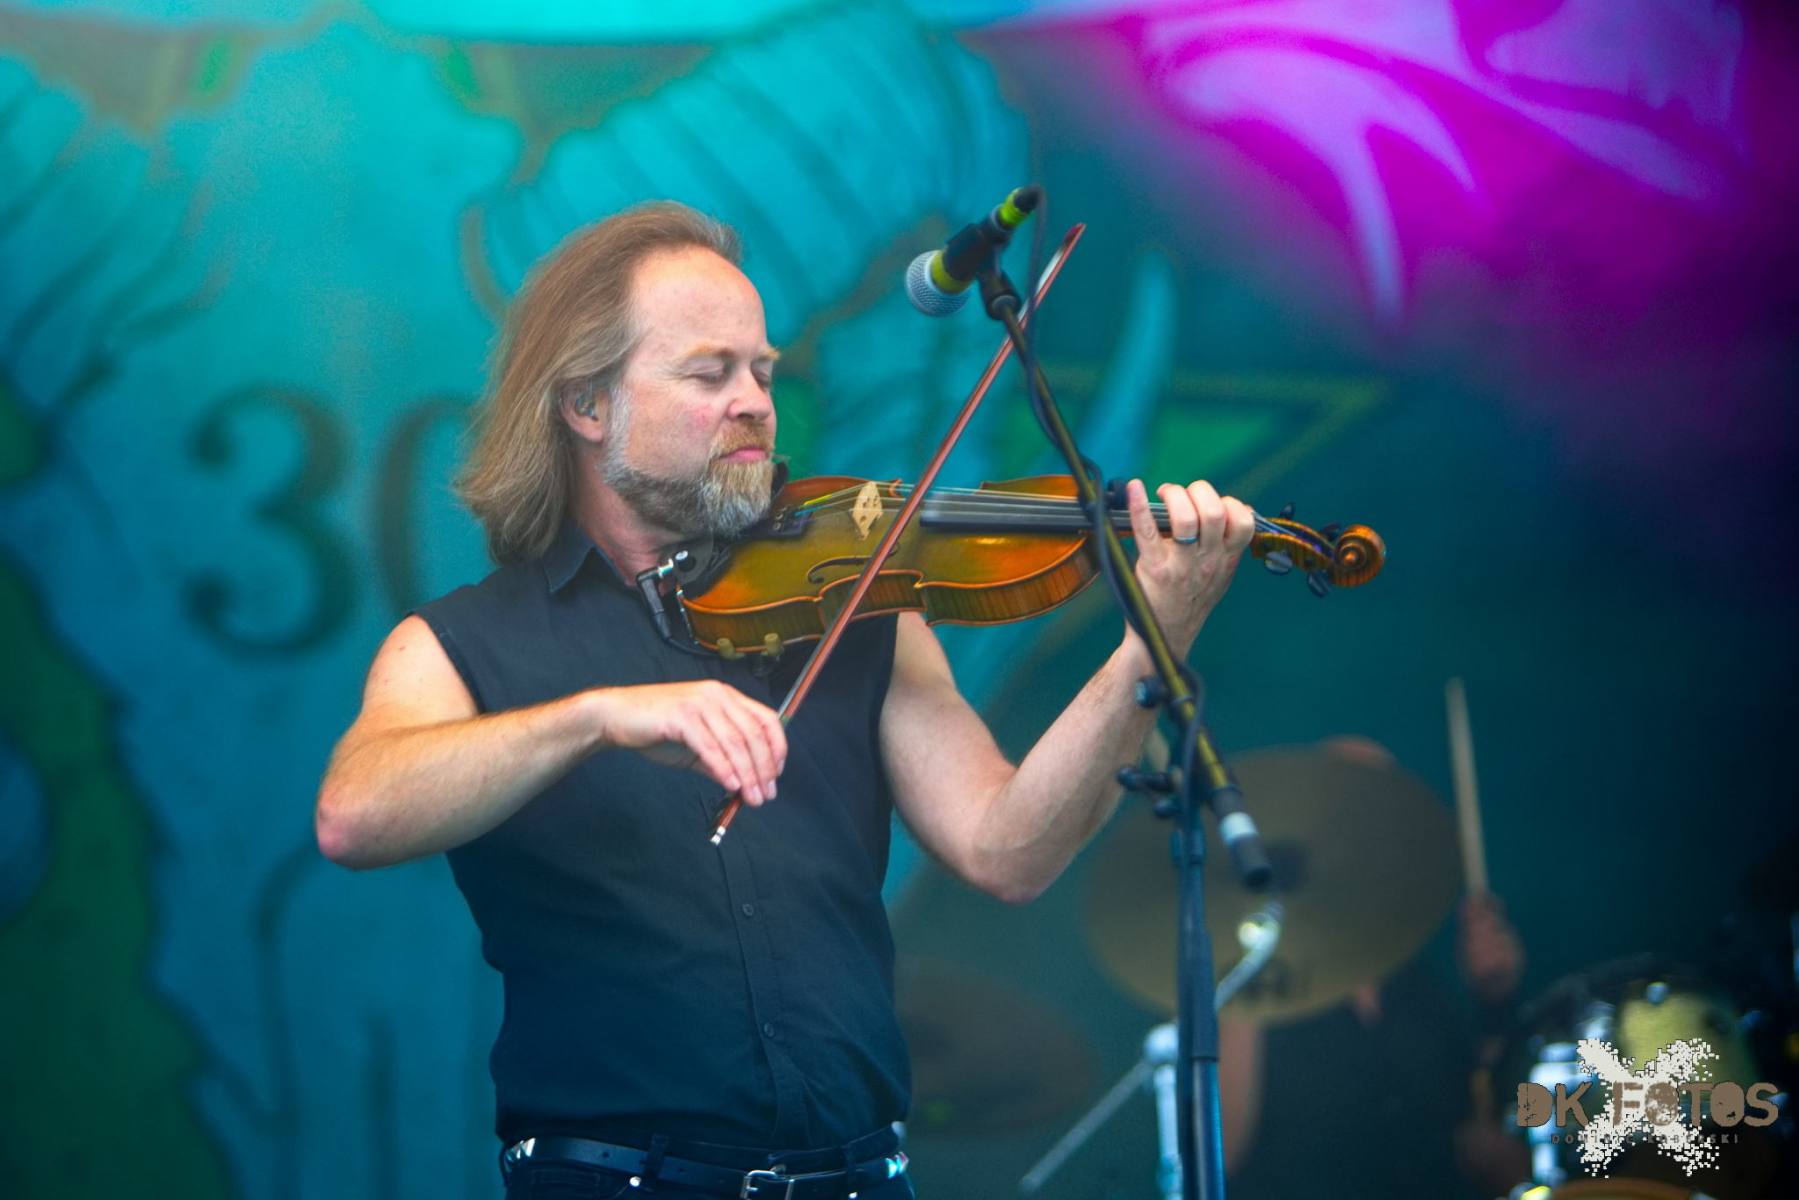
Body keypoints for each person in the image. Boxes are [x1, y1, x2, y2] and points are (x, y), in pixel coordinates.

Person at [313, 201, 1256, 1199]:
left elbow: (1008, 848)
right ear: (587, 405)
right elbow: (355, 814)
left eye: (761, 371)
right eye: (709, 374)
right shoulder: (463, 643)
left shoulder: (857, 603)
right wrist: (596, 717)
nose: (755, 402)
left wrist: (1154, 638)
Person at [1216, 736, 1528, 1199]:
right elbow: (1219, 1157)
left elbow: (1488, 1141)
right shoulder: (1255, 974)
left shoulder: (1417, 983)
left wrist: (1495, 1004)